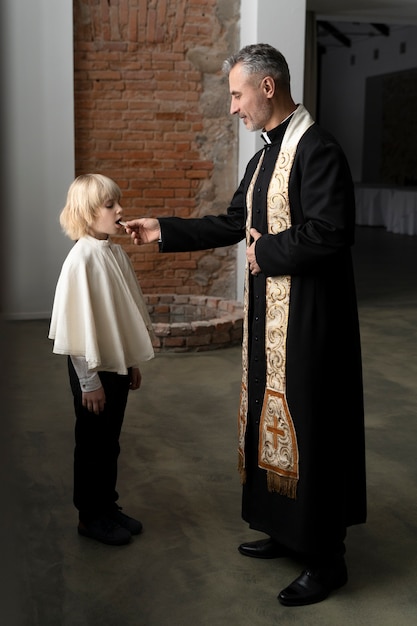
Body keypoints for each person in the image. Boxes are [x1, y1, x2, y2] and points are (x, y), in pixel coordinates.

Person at [125, 43, 367, 605]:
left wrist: (269, 254)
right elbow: (235, 222)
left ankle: (327, 559)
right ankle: (286, 531)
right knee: (268, 412)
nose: (232, 108)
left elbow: (332, 231)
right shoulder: (263, 158)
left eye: (236, 94)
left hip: (311, 320)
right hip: (271, 317)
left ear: (266, 87)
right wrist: (162, 229)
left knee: (311, 425)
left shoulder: (318, 148)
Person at [49, 173, 155, 546]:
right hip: (91, 367)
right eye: (111, 205)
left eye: (117, 203)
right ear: (87, 213)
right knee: (93, 442)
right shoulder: (81, 261)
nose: (120, 210)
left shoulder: (112, 251)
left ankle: (107, 506)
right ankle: (90, 516)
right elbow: (76, 331)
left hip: (115, 363)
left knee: (110, 440)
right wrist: (88, 381)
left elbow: (120, 314)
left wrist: (131, 362)